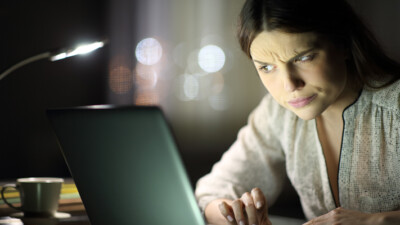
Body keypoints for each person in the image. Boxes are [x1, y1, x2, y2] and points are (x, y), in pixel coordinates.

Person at [194, 0, 400, 224]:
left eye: (303, 57)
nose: (289, 85)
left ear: (342, 44)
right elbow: (212, 192)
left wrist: (376, 221)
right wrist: (234, 216)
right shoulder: (278, 114)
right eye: (266, 67)